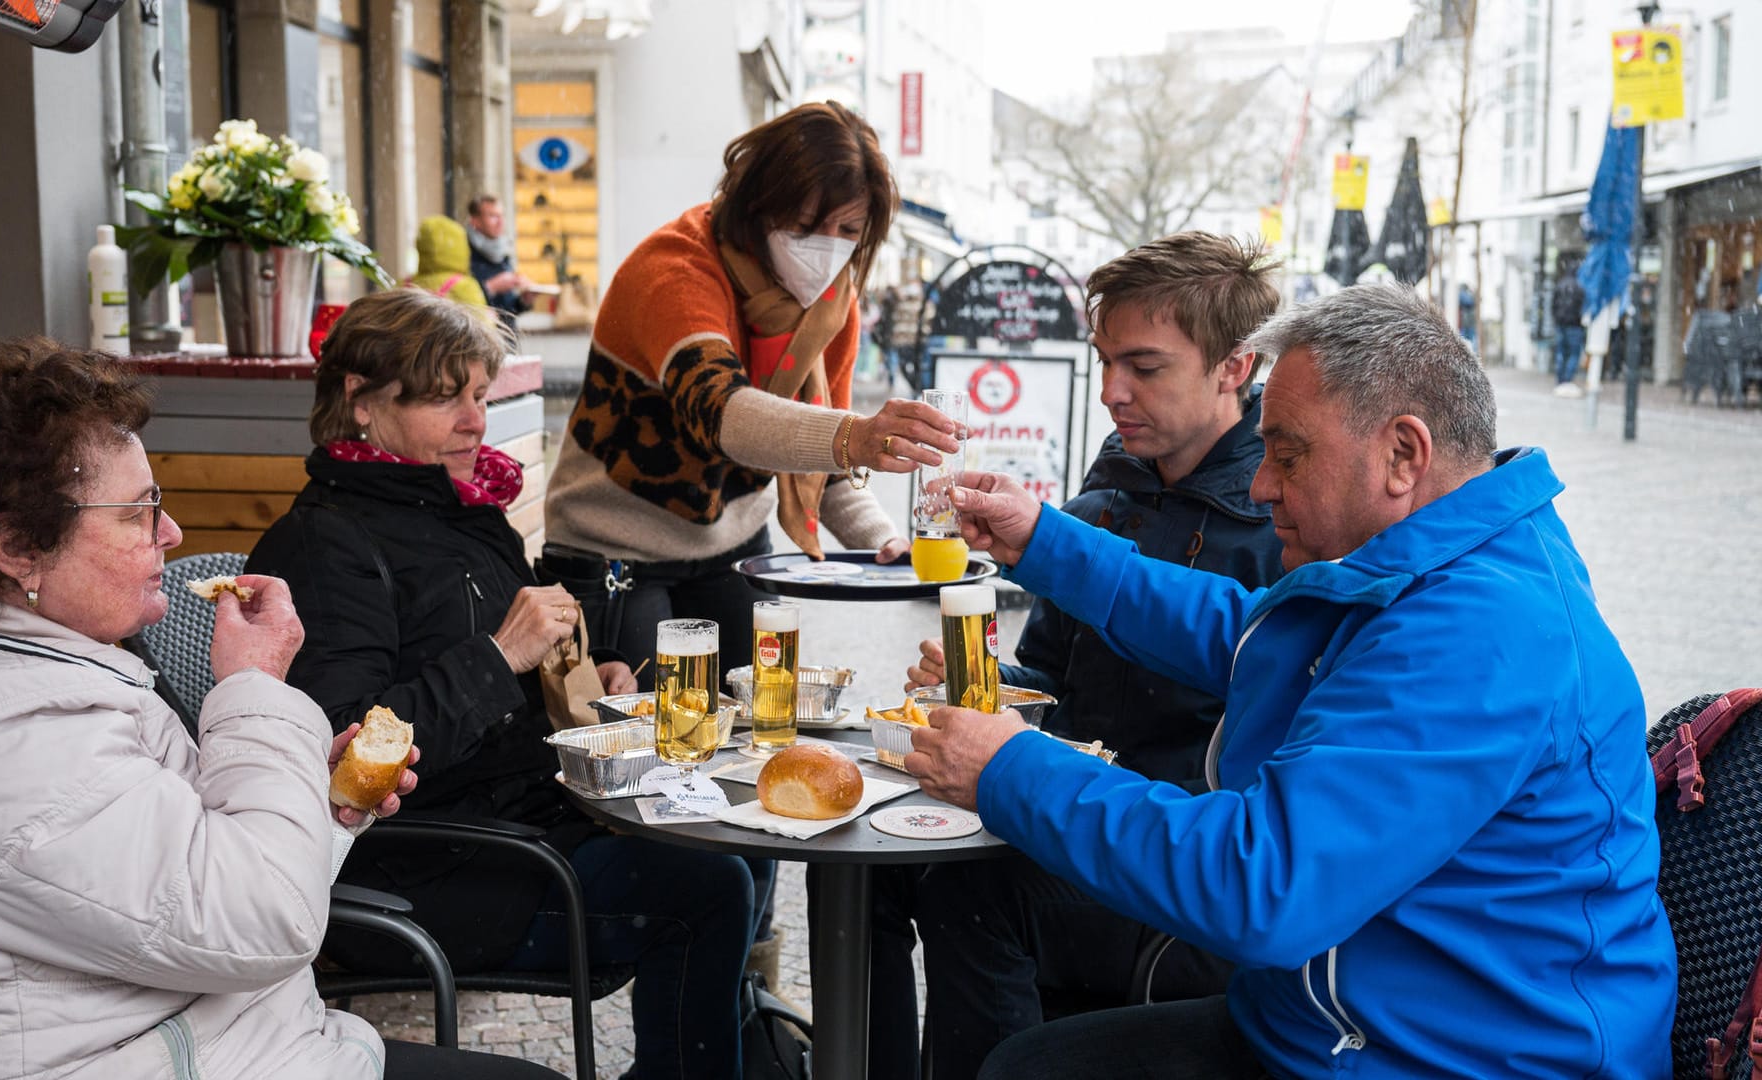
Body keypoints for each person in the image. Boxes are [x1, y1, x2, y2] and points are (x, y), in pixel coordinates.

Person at [907, 282, 1675, 1079]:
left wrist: (1010, 767)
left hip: (1457, 1057)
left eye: (1288, 453)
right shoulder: (1441, 560)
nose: (1262, 484)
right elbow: (1244, 630)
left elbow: (1262, 885)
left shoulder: (1482, 633)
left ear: (1403, 454)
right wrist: (1042, 539)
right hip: (1333, 1024)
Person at [0, 339, 556, 1080]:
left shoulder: (22, 673)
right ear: (19, 549)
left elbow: (183, 866)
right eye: (140, 511)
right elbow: (261, 922)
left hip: (221, 1042)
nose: (172, 534)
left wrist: (328, 796)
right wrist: (253, 691)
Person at [246, 288, 758, 1080]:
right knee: (709, 885)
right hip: (433, 876)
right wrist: (498, 654)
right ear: (362, 402)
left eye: (479, 395)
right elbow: (340, 759)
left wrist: (586, 683)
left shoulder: (458, 508)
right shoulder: (320, 549)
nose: (474, 420)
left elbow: (499, 686)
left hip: (523, 831)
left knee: (738, 826)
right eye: (445, 397)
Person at [883, 232, 1288, 1080]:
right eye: (1104, 362)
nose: (1111, 392)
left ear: (1234, 368)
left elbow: (1260, 813)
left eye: (1144, 367)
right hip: (1073, 816)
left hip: (1180, 868)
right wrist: (988, 689)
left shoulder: (1285, 526)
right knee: (883, 863)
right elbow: (1057, 688)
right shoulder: (1106, 495)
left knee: (970, 894)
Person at [540, 100, 959, 675]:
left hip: (732, 554)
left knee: (762, 719)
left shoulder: (833, 305)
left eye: (848, 230)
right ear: (757, 204)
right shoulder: (673, 269)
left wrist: (884, 543)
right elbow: (723, 414)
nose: (828, 247)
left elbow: (818, 450)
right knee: (645, 748)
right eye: (807, 225)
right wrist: (856, 436)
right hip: (617, 555)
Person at [412, 212, 493, 315]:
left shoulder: (404, 285)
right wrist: (489, 318)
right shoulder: (465, 287)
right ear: (461, 248)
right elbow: (480, 326)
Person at [467, 194, 534, 315]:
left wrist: (525, 300)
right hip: (480, 332)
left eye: (501, 215)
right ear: (475, 221)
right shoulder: (464, 252)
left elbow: (507, 310)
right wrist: (491, 287)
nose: (500, 222)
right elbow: (460, 304)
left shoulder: (503, 252)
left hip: (505, 333)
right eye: (493, 216)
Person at [1551, 258, 1586, 392]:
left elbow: (1553, 305)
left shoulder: (1560, 285)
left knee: (1561, 352)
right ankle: (1567, 379)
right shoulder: (1579, 287)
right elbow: (1582, 307)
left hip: (1561, 324)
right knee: (1573, 353)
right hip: (1574, 325)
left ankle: (1560, 379)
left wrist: (1556, 319)